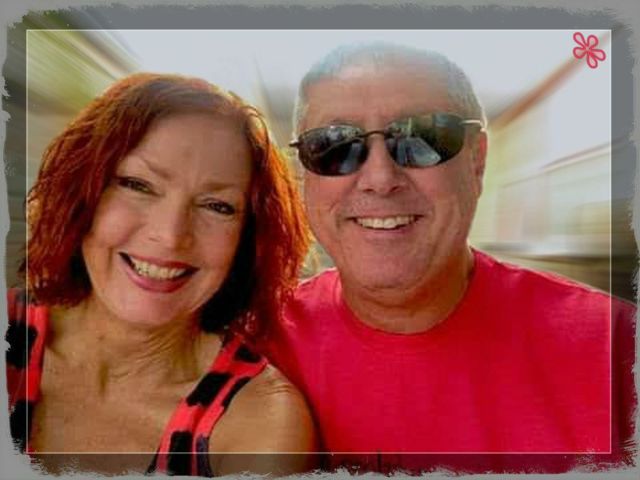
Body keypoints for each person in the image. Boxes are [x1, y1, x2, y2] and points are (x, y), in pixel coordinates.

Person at [261, 43, 637, 474]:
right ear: (303, 175)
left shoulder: (617, 349)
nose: (380, 179)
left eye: (422, 138)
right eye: (334, 145)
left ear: (476, 161)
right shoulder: (252, 347)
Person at [6, 73, 316, 476]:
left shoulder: (260, 426)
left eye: (217, 206)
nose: (170, 237)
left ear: (248, 240)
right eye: (138, 185)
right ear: (82, 192)